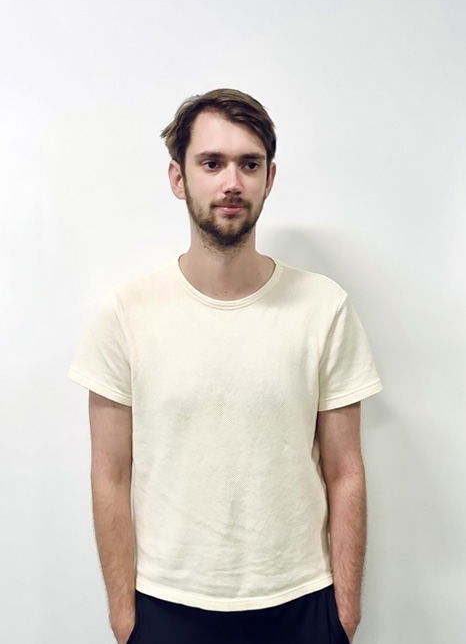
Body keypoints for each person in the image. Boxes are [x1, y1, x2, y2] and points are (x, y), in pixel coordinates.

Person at [67, 88, 383, 644]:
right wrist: (125, 618)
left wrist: (344, 614)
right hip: (166, 604)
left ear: (270, 178)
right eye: (211, 163)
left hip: (301, 602)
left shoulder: (324, 307)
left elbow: (346, 470)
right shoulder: (125, 313)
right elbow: (109, 474)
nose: (231, 182)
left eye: (249, 163)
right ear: (178, 178)